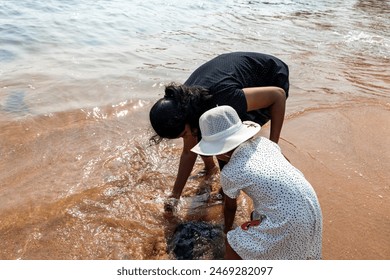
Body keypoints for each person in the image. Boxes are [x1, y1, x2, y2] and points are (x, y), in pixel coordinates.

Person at [149, 52, 289, 206]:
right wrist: (175, 195)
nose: (187, 138)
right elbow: (189, 151)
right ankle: (210, 168)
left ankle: (228, 188)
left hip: (271, 75)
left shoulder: (224, 98)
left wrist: (273, 147)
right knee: (204, 133)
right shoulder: (184, 103)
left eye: (183, 133)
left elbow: (278, 96)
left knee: (232, 140)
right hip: (231, 79)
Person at [191, 105, 322, 260]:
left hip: (290, 219)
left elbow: (230, 207)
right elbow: (286, 164)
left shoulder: (230, 172)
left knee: (234, 244)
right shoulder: (265, 143)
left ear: (220, 151)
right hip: (311, 208)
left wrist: (227, 231)